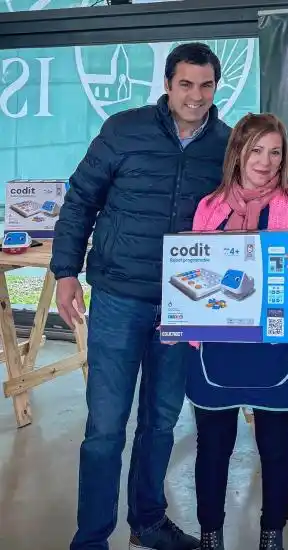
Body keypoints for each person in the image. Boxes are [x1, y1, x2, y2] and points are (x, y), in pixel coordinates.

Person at [51, 42, 231, 550]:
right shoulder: (123, 130)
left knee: (161, 422)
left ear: (216, 88)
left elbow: (247, 211)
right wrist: (66, 271)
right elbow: (80, 197)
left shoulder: (226, 144)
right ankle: (91, 538)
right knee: (105, 427)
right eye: (186, 84)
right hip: (118, 297)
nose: (195, 95)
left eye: (205, 85)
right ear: (168, 85)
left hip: (184, 303)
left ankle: (148, 522)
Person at [184, 113, 288, 550]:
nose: (265, 161)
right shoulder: (209, 207)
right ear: (238, 153)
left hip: (277, 346)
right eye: (256, 150)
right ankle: (210, 532)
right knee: (213, 445)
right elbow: (193, 274)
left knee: (277, 445)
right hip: (217, 349)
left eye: (275, 152)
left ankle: (272, 531)